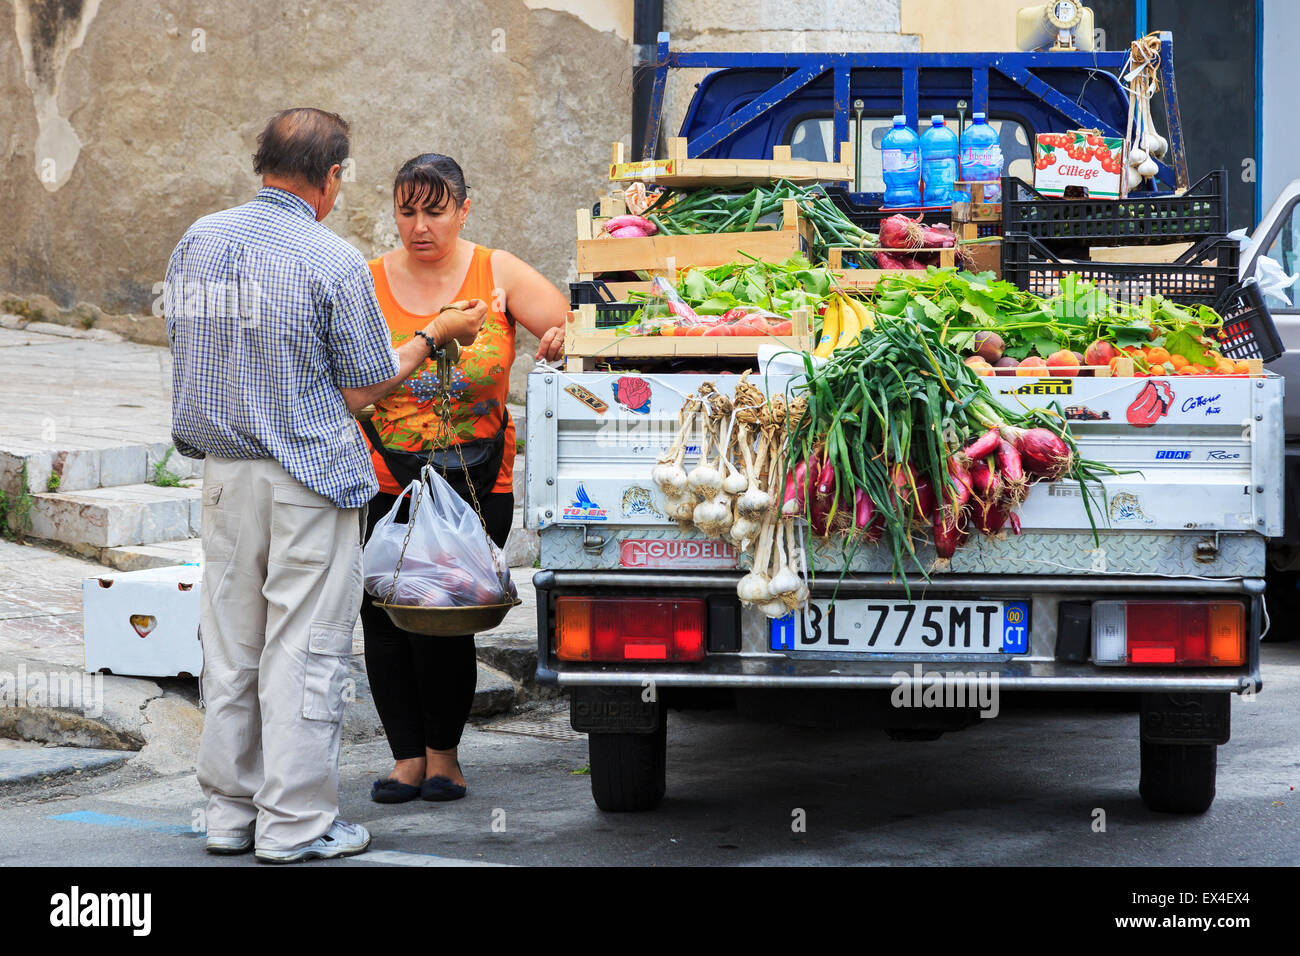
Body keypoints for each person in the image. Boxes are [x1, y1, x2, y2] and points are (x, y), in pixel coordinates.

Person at [166, 110, 486, 863]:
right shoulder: (330, 259)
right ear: (331, 175)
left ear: (263, 161)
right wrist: (435, 334)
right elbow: (367, 384)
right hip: (306, 479)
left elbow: (187, 345)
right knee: (303, 652)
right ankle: (295, 826)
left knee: (232, 646)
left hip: (224, 477)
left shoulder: (198, 239)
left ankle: (227, 816)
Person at [360, 152, 567, 803]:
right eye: (406, 210)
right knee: (387, 620)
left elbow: (566, 323)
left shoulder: (494, 271)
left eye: (435, 209)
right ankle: (405, 759)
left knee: (445, 617)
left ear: (463, 209)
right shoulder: (365, 281)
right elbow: (346, 373)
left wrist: (557, 342)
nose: (419, 225)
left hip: (479, 485)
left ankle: (443, 756)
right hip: (389, 485)